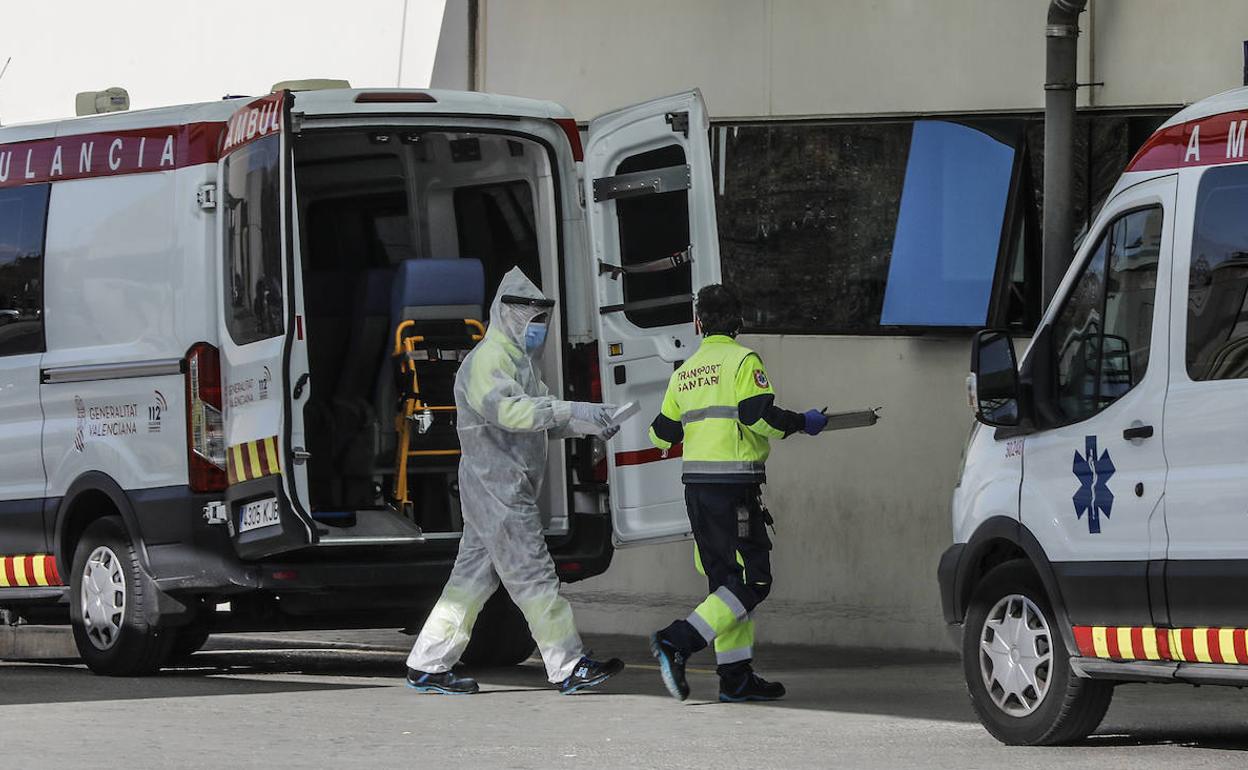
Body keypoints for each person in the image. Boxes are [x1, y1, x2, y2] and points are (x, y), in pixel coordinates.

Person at [406, 267, 625, 695]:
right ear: (509, 316)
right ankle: (567, 664)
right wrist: (572, 410)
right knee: (534, 574)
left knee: (470, 580)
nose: (538, 328)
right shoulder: (488, 361)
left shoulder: (518, 362)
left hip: (500, 486)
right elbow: (513, 414)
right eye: (533, 319)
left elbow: (539, 417)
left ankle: (427, 664)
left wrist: (588, 423)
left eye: (542, 319)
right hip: (499, 487)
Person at [647, 284, 828, 703]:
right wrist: (804, 421)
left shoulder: (685, 371)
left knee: (726, 584)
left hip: (697, 491)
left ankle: (735, 676)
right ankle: (677, 640)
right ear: (739, 321)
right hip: (734, 490)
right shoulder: (743, 360)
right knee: (752, 579)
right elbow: (758, 417)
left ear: (698, 323)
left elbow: (661, 434)